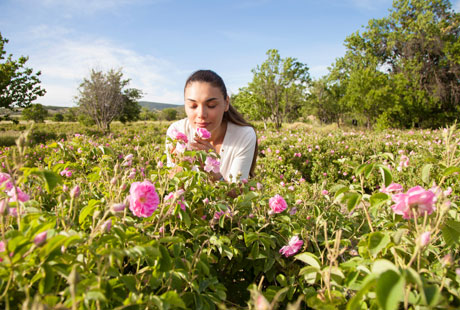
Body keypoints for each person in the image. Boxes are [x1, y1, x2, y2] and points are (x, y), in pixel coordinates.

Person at [166, 70, 257, 182]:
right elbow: (171, 187)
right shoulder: (176, 131)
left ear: (226, 103)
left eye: (211, 105)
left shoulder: (243, 135)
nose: (201, 114)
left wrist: (214, 175)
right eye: (193, 106)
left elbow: (238, 194)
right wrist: (181, 165)